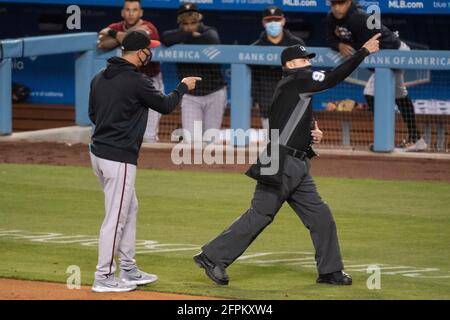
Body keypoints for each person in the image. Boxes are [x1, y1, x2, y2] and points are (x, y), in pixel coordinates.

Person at [193, 34, 382, 286]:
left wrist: (312, 130)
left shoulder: (294, 86)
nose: (308, 63)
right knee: (260, 214)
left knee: (320, 216)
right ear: (291, 65)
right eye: (303, 59)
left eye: (308, 58)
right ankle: (212, 256)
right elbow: (333, 78)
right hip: (279, 160)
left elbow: (293, 116)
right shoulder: (297, 79)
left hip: (297, 162)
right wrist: (363, 52)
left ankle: (330, 271)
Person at [89, 30, 201, 292]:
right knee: (115, 218)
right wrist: (183, 86)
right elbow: (165, 105)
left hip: (97, 152)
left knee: (130, 208)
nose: (150, 53)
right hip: (119, 157)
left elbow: (93, 113)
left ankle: (128, 269)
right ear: (140, 53)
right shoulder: (137, 81)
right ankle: (103, 277)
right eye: (148, 49)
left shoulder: (99, 77)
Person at [327, 0, 426, 152]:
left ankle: (394, 139)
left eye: (341, 4)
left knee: (373, 93)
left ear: (348, 3)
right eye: (334, 4)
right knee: (397, 94)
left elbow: (370, 44)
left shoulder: (358, 18)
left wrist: (349, 45)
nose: (337, 8)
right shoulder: (331, 18)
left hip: (393, 53)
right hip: (379, 58)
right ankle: (412, 139)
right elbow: (329, 38)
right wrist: (339, 45)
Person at [97, 0, 164, 143]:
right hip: (126, 83)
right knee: (128, 130)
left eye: (134, 10)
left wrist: (113, 33)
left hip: (149, 81)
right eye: (128, 10)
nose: (131, 13)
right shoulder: (117, 26)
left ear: (140, 13)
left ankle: (150, 164)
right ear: (122, 12)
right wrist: (126, 35)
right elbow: (102, 43)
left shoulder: (149, 27)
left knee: (148, 135)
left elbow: (136, 40)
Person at [161, 2, 227, 143]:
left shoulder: (209, 31)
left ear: (199, 19)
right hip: (191, 96)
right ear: (180, 22)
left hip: (214, 92)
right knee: (191, 141)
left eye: (193, 22)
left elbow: (211, 39)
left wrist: (184, 37)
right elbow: (165, 38)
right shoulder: (177, 34)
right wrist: (190, 34)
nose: (189, 26)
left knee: (211, 141)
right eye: (186, 23)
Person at [252, 6, 306, 130]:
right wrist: (260, 102)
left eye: (276, 20)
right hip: (268, 108)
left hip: (294, 105)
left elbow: (305, 75)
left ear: (283, 21)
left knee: (293, 146)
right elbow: (253, 81)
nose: (273, 23)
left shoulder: (296, 44)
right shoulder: (256, 47)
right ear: (263, 23)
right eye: (269, 20)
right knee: (274, 147)